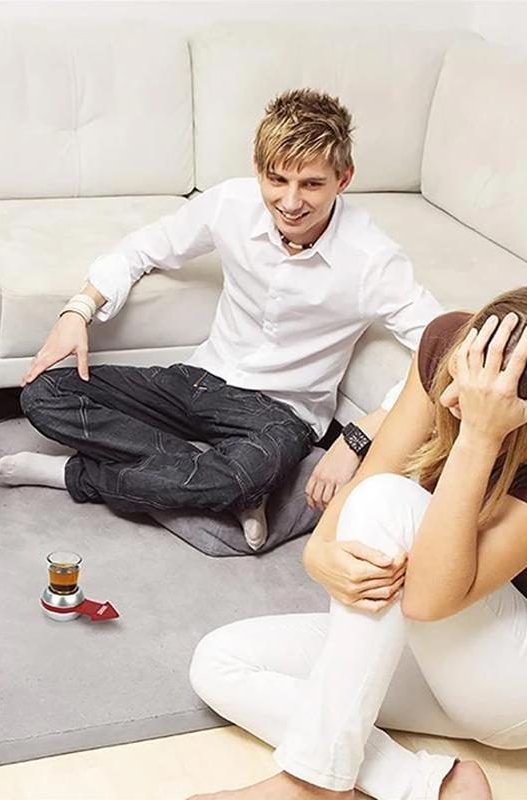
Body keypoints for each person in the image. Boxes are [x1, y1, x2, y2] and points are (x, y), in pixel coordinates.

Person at [0, 88, 442, 550]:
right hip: (197, 383)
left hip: (280, 414)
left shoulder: (372, 259)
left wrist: (357, 437)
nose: (291, 202)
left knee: (241, 475)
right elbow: (145, 247)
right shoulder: (231, 203)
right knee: (42, 393)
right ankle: (224, 484)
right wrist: (79, 309)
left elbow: (444, 349)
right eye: (277, 179)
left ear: (343, 178)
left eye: (311, 184)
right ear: (258, 168)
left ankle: (79, 475)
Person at [187, 289, 527, 800]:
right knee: (221, 661)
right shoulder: (444, 339)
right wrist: (318, 553)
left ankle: (313, 785)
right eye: (459, 375)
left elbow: (429, 600)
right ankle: (430, 787)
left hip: (510, 684)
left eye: (479, 395)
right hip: (443, 654)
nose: (452, 399)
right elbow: (365, 483)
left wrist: (479, 436)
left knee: (389, 501)